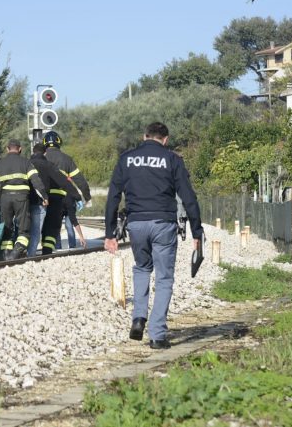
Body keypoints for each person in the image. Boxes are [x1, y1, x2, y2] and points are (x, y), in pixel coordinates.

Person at [104, 122, 203, 350]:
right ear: (165, 139)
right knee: (164, 277)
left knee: (141, 268)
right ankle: (157, 335)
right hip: (163, 224)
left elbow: (113, 197)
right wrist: (197, 231)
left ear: (144, 135)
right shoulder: (172, 160)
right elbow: (188, 197)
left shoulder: (126, 159)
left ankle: (138, 317)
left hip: (136, 224)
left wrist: (110, 233)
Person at [0, 139, 48, 260]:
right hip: (22, 198)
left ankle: (6, 255)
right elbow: (36, 181)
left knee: (6, 227)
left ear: (7, 149)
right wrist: (44, 196)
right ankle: (15, 252)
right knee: (24, 229)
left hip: (5, 198)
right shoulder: (26, 163)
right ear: (20, 149)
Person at [27, 143, 81, 257]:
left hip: (26, 201)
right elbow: (64, 181)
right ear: (45, 153)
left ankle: (21, 253)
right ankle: (45, 253)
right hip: (42, 202)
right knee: (48, 228)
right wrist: (77, 196)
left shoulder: (26, 164)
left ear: (33, 151)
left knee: (27, 229)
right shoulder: (48, 165)